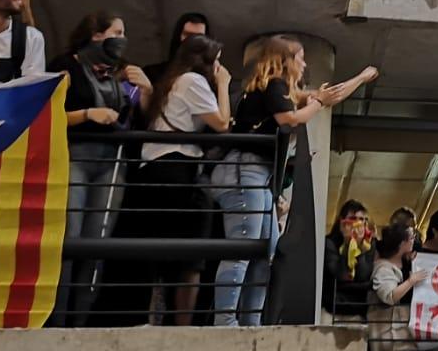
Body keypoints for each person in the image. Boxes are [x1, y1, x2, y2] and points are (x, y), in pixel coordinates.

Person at [216, 38, 378, 327]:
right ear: (285, 60)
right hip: (247, 169)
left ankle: (250, 321)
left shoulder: (280, 89)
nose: (304, 64)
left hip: (259, 173)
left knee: (265, 252)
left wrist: (361, 78)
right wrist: (315, 104)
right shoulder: (274, 84)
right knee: (244, 247)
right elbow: (289, 119)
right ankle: (226, 321)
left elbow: (330, 95)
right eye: (300, 58)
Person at [112, 35, 229, 326]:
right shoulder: (193, 81)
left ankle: (147, 320)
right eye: (216, 60)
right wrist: (224, 85)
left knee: (154, 252)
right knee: (189, 258)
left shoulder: (172, 81)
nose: (219, 67)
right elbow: (222, 123)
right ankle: (180, 326)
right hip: (177, 170)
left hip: (152, 169)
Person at [51, 12, 153, 325]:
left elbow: (142, 120)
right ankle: (56, 317)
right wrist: (87, 114)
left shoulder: (119, 76)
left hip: (112, 162)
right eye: (117, 32)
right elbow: (46, 115)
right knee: (71, 236)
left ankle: (80, 322)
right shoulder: (66, 66)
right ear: (96, 35)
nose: (122, 39)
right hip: (76, 156)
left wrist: (146, 91)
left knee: (98, 243)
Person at [367, 222, 433, 351]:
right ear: (401, 243)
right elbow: (389, 296)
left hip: (404, 332)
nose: (414, 240)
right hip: (389, 335)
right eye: (411, 238)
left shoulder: (404, 261)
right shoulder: (384, 268)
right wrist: (411, 281)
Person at [324, 199, 376, 320]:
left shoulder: (370, 243)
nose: (358, 223)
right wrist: (348, 244)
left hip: (359, 308)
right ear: (342, 221)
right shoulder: (330, 243)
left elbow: (363, 275)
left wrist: (361, 249)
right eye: (353, 219)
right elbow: (341, 275)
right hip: (334, 308)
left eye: (362, 219)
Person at [146, 13, 210, 86]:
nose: (192, 40)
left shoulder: (213, 78)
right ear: (178, 36)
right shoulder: (152, 73)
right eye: (187, 35)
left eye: (199, 37)